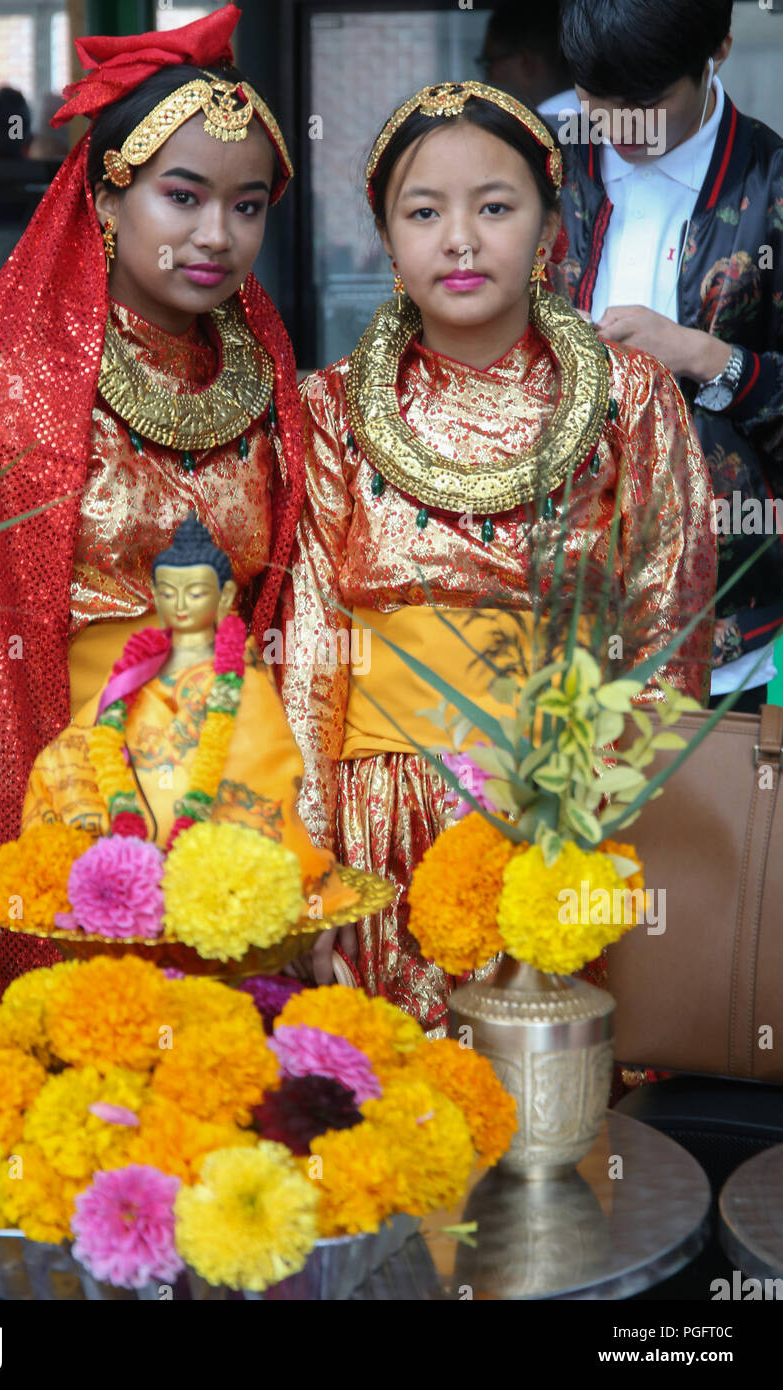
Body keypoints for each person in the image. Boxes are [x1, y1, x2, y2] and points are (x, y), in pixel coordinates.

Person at [0, 7, 306, 1008]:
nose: (217, 234)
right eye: (182, 195)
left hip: (242, 792)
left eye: (247, 206)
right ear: (106, 198)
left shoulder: (266, 376)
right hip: (72, 794)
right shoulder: (15, 389)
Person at [280, 81, 716, 1032]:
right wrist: (311, 867)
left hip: (559, 810)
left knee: (560, 1118)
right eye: (424, 212)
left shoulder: (626, 398)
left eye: (496, 206)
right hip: (376, 821)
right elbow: (312, 645)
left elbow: (666, 627)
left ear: (552, 228)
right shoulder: (329, 408)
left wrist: (589, 821)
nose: (461, 239)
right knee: (396, 1118)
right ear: (387, 239)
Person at [556, 0, 783, 712]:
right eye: (598, 104)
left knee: (709, 819)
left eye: (644, 105)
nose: (618, 129)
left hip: (724, 621)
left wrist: (701, 355)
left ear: (717, 50)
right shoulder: (540, 169)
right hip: (546, 607)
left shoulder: (770, 188)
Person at [22, 514, 366, 928]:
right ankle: (111, 878)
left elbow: (263, 763)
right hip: (126, 811)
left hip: (214, 837)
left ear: (224, 599)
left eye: (195, 593)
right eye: (169, 593)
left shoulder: (240, 672)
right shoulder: (135, 668)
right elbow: (97, 736)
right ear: (153, 594)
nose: (181, 605)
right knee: (57, 766)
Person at [480, 0, 578, 120]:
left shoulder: (520, 135)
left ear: (526, 62)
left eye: (489, 64)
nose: (486, 80)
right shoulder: (602, 121)